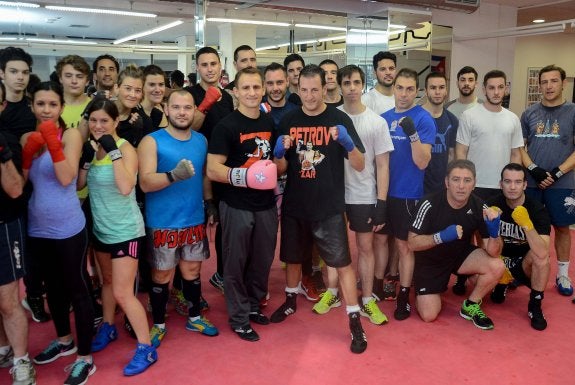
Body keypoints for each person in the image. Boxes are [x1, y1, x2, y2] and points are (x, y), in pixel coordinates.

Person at [270, 64, 369, 354]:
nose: (310, 96)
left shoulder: (338, 118)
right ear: (297, 89)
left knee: (342, 263)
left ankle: (354, 318)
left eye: (315, 89)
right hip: (296, 203)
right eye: (304, 90)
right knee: (292, 257)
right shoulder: (288, 119)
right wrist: (278, 153)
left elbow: (360, 164)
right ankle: (290, 301)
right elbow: (281, 169)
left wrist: (348, 144)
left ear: (325, 88)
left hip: (328, 206)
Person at [22, 81, 95, 385]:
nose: (47, 110)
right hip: (38, 226)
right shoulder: (27, 135)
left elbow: (67, 178)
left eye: (53, 104)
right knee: (53, 289)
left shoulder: (72, 135)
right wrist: (29, 153)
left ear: (62, 107)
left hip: (68, 226)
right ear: (33, 107)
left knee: (77, 289)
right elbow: (24, 182)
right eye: (41, 104)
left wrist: (52, 142)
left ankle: (85, 358)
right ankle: (64, 341)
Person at [78, 99, 157, 375]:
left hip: (126, 231)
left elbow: (125, 187)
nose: (99, 126)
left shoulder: (126, 149)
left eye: (104, 121)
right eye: (94, 120)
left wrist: (113, 152)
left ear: (114, 123)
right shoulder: (91, 148)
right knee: (107, 283)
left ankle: (146, 349)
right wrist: (86, 161)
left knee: (124, 291)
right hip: (101, 230)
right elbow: (79, 185)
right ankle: (108, 327)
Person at [312, 64, 392, 325]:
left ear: (363, 85)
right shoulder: (328, 118)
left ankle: (367, 299)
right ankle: (333, 292)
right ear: (338, 86)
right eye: (346, 83)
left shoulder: (376, 122)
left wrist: (381, 201)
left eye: (356, 83)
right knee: (335, 248)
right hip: (334, 193)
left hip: (364, 194)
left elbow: (382, 165)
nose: (351, 88)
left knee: (365, 247)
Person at [138, 89, 219, 348]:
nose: (182, 112)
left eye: (187, 107)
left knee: (192, 271)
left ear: (195, 110)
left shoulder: (201, 141)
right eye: (176, 107)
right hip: (162, 220)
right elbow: (145, 183)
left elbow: (205, 175)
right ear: (167, 109)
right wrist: (173, 175)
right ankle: (159, 324)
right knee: (161, 275)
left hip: (193, 217)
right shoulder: (151, 141)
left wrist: (209, 203)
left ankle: (194, 316)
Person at [207, 67, 278, 341]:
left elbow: (275, 165)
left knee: (262, 261)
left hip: (266, 204)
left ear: (262, 89)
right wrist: (245, 175)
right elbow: (213, 169)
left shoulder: (270, 123)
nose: (251, 92)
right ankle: (238, 319)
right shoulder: (227, 126)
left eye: (255, 87)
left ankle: (252, 306)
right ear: (235, 92)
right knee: (236, 263)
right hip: (236, 204)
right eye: (245, 88)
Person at [408, 159, 504, 330]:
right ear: (447, 182)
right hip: (431, 261)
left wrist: (494, 232)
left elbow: (494, 252)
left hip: (460, 255)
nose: (461, 186)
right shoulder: (429, 203)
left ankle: (471, 304)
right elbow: (412, 243)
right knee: (429, 315)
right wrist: (441, 237)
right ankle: (424, 287)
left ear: (474, 184)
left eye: (467, 180)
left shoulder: (480, 206)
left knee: (497, 265)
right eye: (456, 179)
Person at [0, 47, 50, 325]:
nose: (20, 77)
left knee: (33, 249)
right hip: (4, 193)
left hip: (31, 188)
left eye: (25, 72)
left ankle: (33, 296)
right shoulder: (2, 112)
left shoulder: (33, 110)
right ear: (2, 74)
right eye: (14, 71)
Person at [381, 68, 436, 320]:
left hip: (408, 194)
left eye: (409, 89)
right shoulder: (382, 118)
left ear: (417, 91)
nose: (403, 94)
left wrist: (412, 133)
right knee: (380, 241)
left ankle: (404, 295)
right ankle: (377, 285)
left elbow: (423, 162)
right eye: (400, 88)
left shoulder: (424, 119)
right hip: (383, 192)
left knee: (404, 246)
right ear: (394, 88)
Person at [520, 64, 575, 298]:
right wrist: (534, 170)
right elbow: (520, 147)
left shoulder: (573, 111)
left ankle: (563, 273)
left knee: (562, 228)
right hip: (533, 182)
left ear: (563, 83)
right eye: (544, 82)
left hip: (563, 183)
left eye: (554, 81)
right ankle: (522, 270)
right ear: (539, 85)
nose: (549, 86)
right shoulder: (529, 113)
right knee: (526, 228)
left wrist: (556, 173)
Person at [186, 47, 234, 294]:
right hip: (193, 171)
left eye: (213, 64)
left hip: (220, 170)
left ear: (220, 66)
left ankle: (223, 275)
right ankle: (186, 287)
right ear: (197, 68)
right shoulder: (189, 94)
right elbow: (188, 128)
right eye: (204, 65)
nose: (209, 69)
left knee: (225, 226)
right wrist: (205, 103)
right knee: (194, 230)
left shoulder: (228, 97)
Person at [0, 80, 36, 385]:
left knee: (8, 299)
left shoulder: (8, 141)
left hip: (4, 224)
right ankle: (3, 348)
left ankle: (22, 360)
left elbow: (14, 189)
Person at [487, 163, 551, 330]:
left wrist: (527, 225)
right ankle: (501, 283)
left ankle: (535, 305)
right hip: (500, 260)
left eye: (517, 182)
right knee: (479, 270)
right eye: (508, 182)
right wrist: (492, 227)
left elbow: (543, 252)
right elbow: (483, 245)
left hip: (524, 264)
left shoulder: (537, 209)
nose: (513, 187)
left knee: (541, 258)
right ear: (501, 184)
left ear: (525, 185)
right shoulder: (492, 205)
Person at [455, 70, 523, 201]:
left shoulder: (513, 118)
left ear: (506, 89)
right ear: (484, 89)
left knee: (500, 221)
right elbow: (461, 151)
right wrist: (465, 180)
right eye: (491, 88)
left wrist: (512, 183)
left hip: (503, 186)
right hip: (475, 185)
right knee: (474, 221)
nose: (496, 92)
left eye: (500, 87)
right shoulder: (469, 116)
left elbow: (516, 154)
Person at [421, 72, 459, 194]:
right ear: (426, 91)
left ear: (446, 91)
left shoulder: (452, 120)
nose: (437, 92)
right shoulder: (415, 117)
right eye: (433, 88)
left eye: (441, 87)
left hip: (441, 187)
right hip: (417, 185)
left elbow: (452, 155)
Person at [114, 65, 154, 149]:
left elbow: (145, 157)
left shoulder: (145, 121)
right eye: (128, 88)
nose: (133, 95)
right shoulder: (103, 112)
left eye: (138, 90)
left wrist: (137, 136)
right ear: (116, 88)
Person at [56, 55, 92, 131]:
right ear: (60, 78)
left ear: (87, 81)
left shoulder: (95, 106)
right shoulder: (52, 108)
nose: (74, 81)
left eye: (79, 76)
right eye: (68, 76)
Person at [263, 62, 298, 127]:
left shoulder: (296, 111)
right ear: (264, 84)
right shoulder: (257, 110)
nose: (275, 88)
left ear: (287, 81)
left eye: (279, 82)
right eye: (270, 83)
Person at [361, 51, 396, 115]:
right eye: (383, 69)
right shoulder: (366, 100)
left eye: (391, 68)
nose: (388, 72)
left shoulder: (401, 97)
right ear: (375, 72)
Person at [142, 65, 168, 130]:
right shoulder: (134, 113)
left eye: (161, 84)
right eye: (152, 85)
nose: (157, 90)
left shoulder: (167, 110)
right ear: (142, 86)